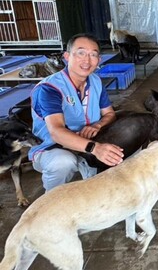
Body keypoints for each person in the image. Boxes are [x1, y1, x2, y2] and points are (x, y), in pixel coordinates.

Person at [29, 34, 124, 192]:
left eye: (93, 55)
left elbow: (110, 114)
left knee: (124, 148)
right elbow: (57, 133)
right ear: (67, 56)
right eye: (81, 53)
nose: (87, 60)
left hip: (89, 142)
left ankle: (94, 185)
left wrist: (98, 125)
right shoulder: (49, 88)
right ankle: (52, 201)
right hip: (52, 148)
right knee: (63, 161)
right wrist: (95, 148)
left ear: (99, 60)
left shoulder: (95, 82)